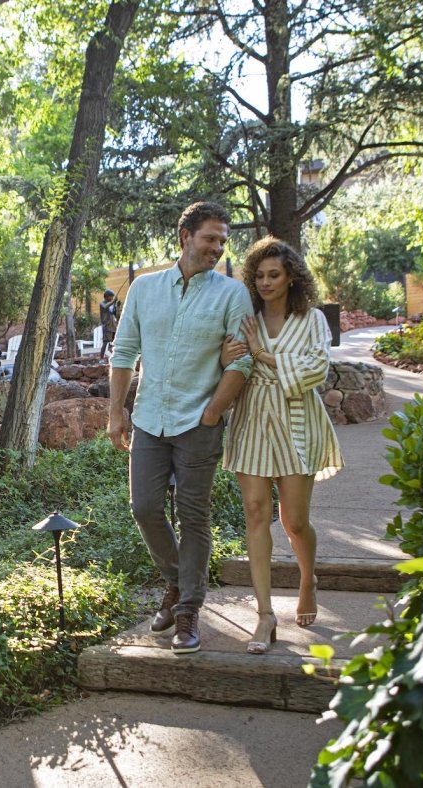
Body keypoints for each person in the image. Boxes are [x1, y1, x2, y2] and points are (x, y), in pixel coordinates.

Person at [107, 201, 254, 654]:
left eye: (223, 241)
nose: (217, 247)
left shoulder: (232, 294)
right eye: (210, 238)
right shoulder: (144, 288)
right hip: (150, 418)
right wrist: (117, 411)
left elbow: (243, 358)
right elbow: (124, 351)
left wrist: (212, 413)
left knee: (194, 518)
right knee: (145, 508)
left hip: (199, 423)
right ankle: (176, 582)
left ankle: (188, 608)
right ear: (185, 237)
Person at [221, 237, 343, 656]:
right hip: (253, 418)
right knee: (255, 513)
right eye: (259, 275)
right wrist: (234, 355)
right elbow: (232, 361)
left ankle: (308, 577)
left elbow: (316, 371)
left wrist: (264, 356)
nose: (267, 281)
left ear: (292, 276)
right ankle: (265, 614)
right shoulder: (246, 316)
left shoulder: (312, 319)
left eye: (275, 274)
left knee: (294, 521)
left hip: (296, 424)